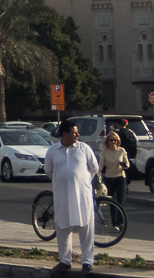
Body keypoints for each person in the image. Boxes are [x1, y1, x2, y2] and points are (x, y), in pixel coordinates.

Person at [45, 118, 100, 275]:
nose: (78, 135)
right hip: (62, 195)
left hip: (82, 195)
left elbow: (94, 167)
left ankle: (87, 262)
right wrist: (64, 180)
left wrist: (81, 181)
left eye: (77, 132)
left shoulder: (84, 148)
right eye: (74, 132)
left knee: (86, 228)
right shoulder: (53, 151)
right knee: (63, 227)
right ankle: (65, 261)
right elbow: (49, 171)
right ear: (64, 134)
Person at [98, 132, 129, 222]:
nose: (113, 142)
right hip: (109, 178)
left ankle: (121, 223)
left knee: (121, 202)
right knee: (112, 202)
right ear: (107, 141)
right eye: (111, 140)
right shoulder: (105, 152)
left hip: (120, 177)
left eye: (115, 140)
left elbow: (127, 164)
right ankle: (114, 222)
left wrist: (124, 165)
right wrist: (100, 174)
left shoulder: (121, 151)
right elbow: (101, 165)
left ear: (118, 141)